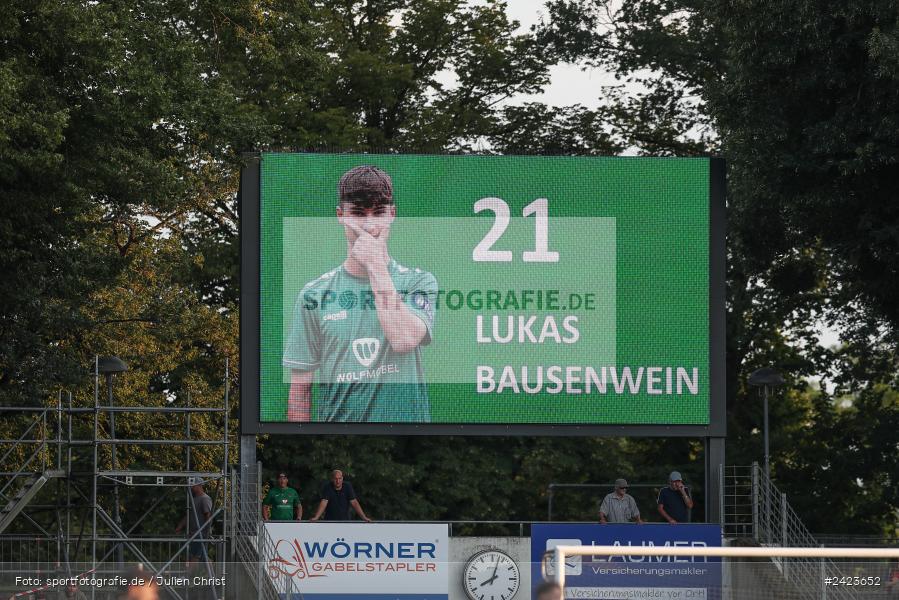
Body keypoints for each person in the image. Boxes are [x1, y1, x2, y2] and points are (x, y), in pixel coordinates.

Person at [284, 165, 438, 423]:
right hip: (339, 437)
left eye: (378, 213)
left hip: (406, 438)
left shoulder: (418, 281)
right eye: (357, 213)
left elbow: (403, 339)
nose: (368, 225)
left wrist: (376, 265)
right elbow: (300, 389)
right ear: (340, 215)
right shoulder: (314, 295)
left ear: (392, 215)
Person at [175, 482, 213, 564]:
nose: (191, 487)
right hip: (194, 533)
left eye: (193, 485)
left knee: (195, 556)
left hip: (200, 534)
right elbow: (189, 515)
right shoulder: (194, 499)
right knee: (203, 557)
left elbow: (208, 516)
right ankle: (212, 576)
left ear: (199, 485)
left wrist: (206, 532)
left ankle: (186, 576)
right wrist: (180, 526)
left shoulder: (205, 499)